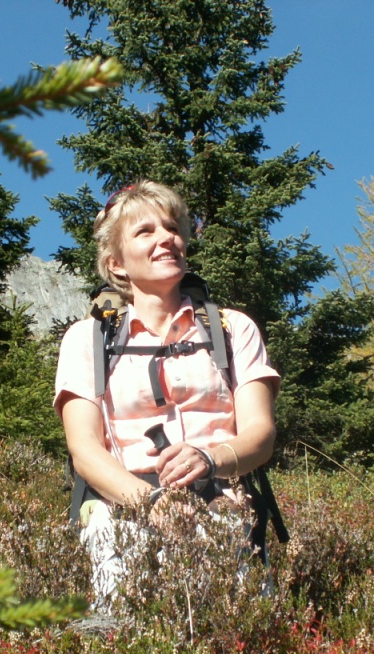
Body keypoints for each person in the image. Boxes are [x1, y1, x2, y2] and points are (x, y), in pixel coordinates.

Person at [53, 180, 280, 606]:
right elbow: (84, 449)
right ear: (116, 263)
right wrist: (153, 501)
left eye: (173, 228)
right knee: (124, 631)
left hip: (224, 505)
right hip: (122, 511)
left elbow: (261, 434)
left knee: (237, 632)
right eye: (145, 231)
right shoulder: (87, 338)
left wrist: (210, 458)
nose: (166, 239)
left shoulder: (232, 329)